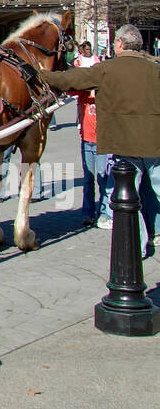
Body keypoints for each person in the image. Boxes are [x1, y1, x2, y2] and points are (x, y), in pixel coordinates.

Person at [39, 24, 160, 257]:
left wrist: (42, 74)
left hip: (126, 144)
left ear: (121, 45)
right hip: (154, 144)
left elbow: (72, 79)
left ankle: (139, 244)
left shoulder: (107, 69)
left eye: (115, 43)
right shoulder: (154, 69)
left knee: (128, 198)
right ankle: (155, 232)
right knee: (154, 192)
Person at [70, 42, 106, 227]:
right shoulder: (83, 91)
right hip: (87, 138)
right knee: (88, 178)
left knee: (103, 178)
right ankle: (88, 213)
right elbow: (68, 85)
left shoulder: (106, 90)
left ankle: (106, 212)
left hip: (103, 140)